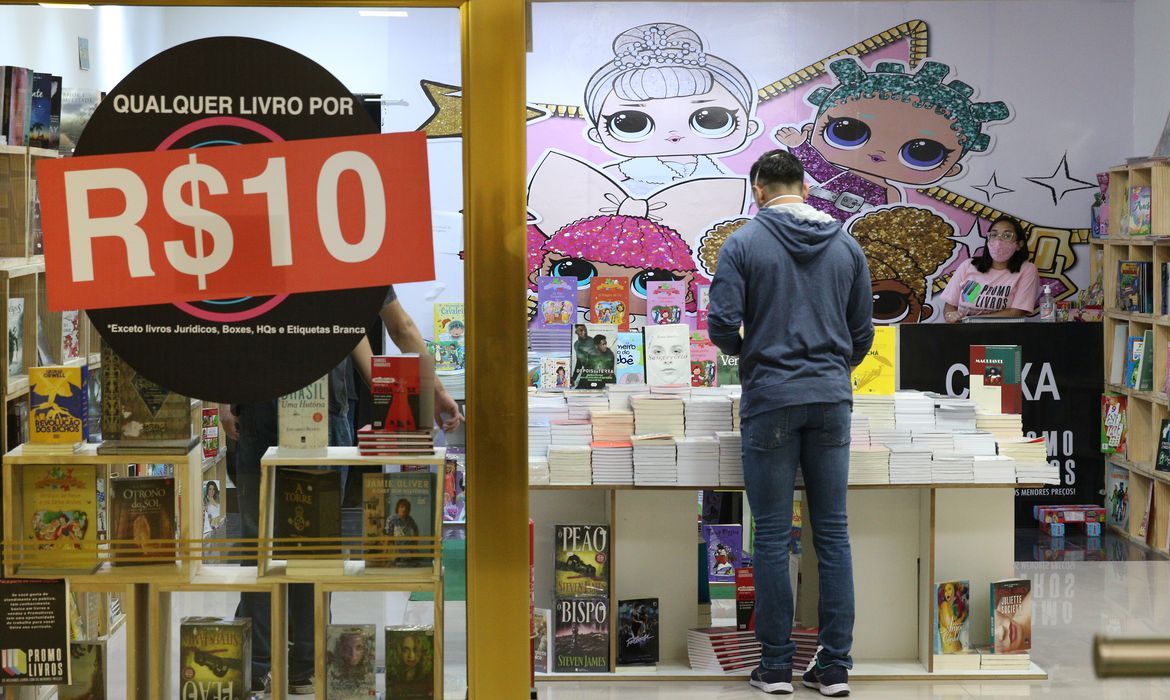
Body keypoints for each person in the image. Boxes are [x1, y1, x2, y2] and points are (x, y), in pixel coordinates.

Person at [220, 287, 464, 696]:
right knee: (314, 540)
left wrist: (226, 398)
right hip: (316, 405)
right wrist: (433, 391)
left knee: (259, 539)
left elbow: (229, 323)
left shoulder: (264, 253)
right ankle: (303, 665)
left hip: (265, 401)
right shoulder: (354, 258)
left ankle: (260, 664)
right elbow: (399, 327)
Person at [708, 149, 873, 697]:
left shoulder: (742, 243)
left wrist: (754, 354)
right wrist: (830, 370)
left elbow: (721, 325)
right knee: (834, 534)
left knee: (773, 536)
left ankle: (776, 666)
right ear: (805, 188)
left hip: (770, 399)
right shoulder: (846, 245)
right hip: (831, 399)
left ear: (758, 190)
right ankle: (835, 667)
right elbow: (863, 333)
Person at [940, 216, 1039, 322]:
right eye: (994, 235)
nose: (998, 241)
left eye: (1007, 235)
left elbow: (1017, 312)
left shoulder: (1027, 269)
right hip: (963, 330)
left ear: (1019, 244)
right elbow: (950, 305)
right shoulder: (969, 265)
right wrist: (950, 316)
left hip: (1003, 331)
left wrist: (972, 321)